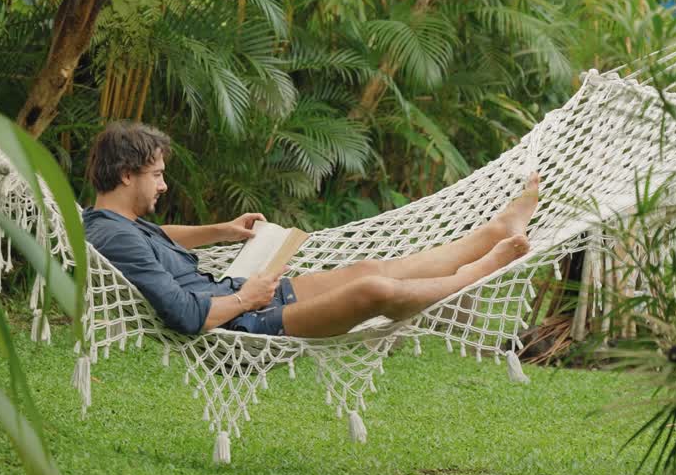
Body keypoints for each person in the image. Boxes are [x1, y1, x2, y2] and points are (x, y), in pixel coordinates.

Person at [83, 121, 538, 338]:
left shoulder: (113, 224)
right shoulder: (117, 237)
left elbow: (159, 238)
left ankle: (491, 232)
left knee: (367, 268)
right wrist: (248, 298)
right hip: (242, 323)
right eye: (157, 175)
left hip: (235, 295)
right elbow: (184, 315)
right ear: (127, 174)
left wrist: (222, 230)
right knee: (372, 291)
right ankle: (473, 276)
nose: (163, 185)